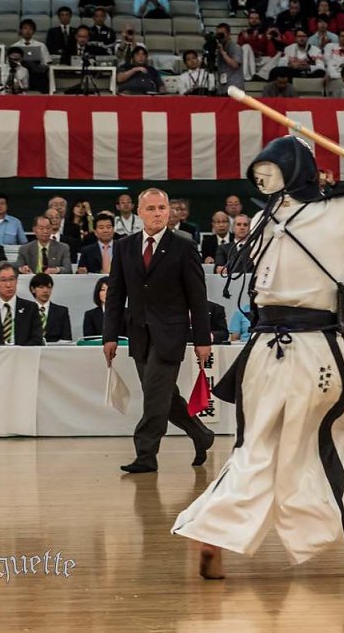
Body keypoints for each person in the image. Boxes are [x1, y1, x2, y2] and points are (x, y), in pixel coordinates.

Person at [171, 135, 344, 576]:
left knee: (257, 447)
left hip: (263, 352)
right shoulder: (337, 212)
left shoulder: (267, 218)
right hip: (316, 351)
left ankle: (215, 528)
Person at [103, 188, 215, 474]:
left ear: (169, 212)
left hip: (171, 334)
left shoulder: (184, 246)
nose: (157, 213)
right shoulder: (126, 246)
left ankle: (146, 454)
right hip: (139, 334)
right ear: (139, 212)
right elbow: (116, 294)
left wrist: (202, 339)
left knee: (154, 394)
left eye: (162, 208)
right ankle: (201, 434)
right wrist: (110, 335)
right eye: (151, 208)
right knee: (164, 395)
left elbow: (198, 297)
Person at [0, 262, 45, 346]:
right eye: (3, 280)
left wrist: (19, 351)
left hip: (23, 356)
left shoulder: (30, 308)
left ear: (16, 281)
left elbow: (37, 338)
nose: (8, 285)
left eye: (11, 279)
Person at [29, 273, 73, 343]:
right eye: (41, 287)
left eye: (49, 287)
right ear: (33, 289)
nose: (45, 291)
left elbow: (67, 339)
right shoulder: (27, 311)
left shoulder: (61, 312)